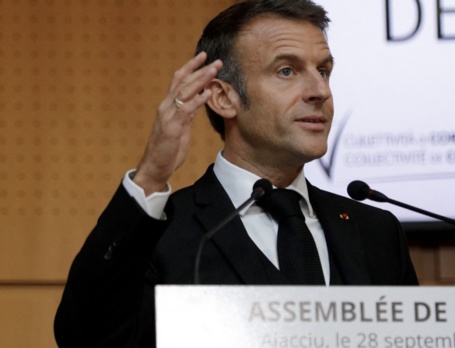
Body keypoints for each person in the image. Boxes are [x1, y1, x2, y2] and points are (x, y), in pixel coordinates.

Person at [54, 0, 418, 346]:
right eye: (287, 71)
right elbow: (87, 338)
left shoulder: (375, 231)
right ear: (224, 97)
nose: (320, 91)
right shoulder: (165, 234)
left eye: (323, 71)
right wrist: (150, 175)